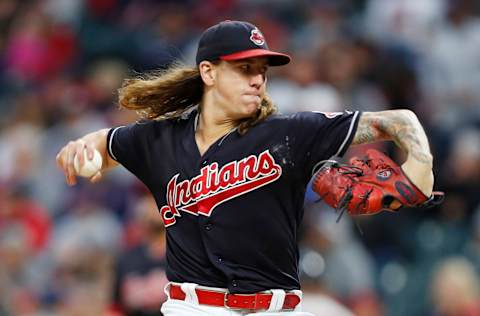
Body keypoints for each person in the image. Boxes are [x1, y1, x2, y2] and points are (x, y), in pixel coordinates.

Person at [56, 20, 436, 316]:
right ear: (209, 72)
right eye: (244, 68)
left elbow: (398, 121)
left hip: (276, 306)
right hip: (192, 307)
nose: (258, 79)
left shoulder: (290, 132)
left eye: (262, 70)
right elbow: (102, 143)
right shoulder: (158, 140)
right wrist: (82, 149)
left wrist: (421, 161)